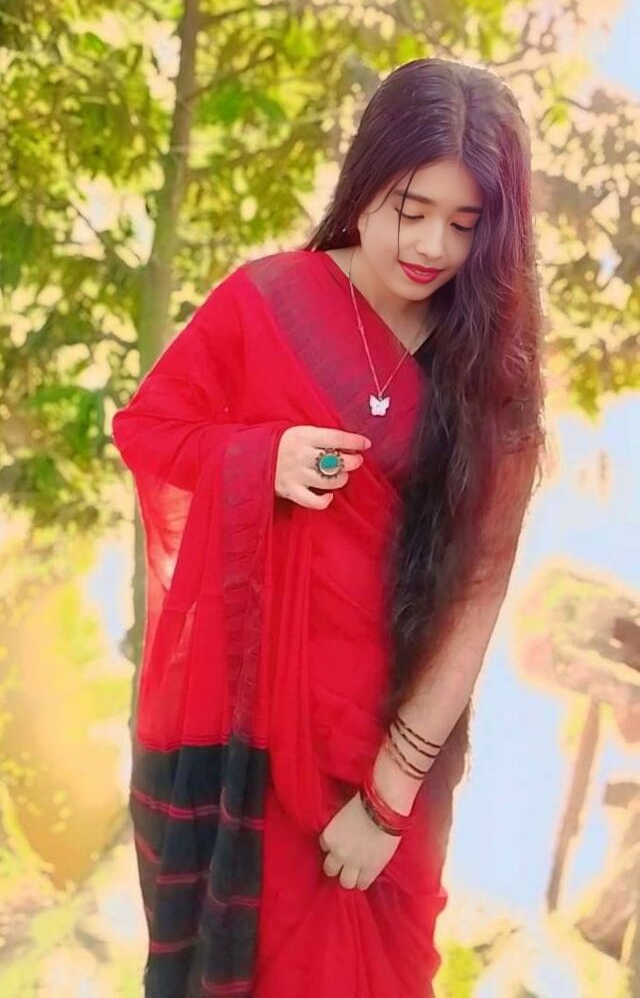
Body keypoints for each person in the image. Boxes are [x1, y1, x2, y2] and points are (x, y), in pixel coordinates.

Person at [112, 56, 547, 998]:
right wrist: (260, 457)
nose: (431, 244)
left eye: (465, 222)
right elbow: (147, 430)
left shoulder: (490, 373)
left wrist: (388, 799)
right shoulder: (266, 303)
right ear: (365, 183)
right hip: (252, 748)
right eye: (410, 207)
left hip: (389, 760)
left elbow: (476, 599)